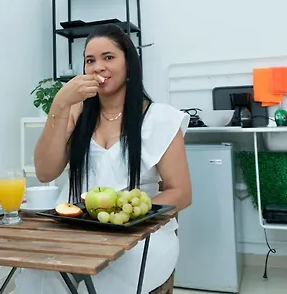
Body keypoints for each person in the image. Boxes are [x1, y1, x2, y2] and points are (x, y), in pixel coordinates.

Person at [15, 24, 192, 294]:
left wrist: (129, 213)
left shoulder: (161, 118)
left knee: (107, 279)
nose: (98, 67)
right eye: (90, 60)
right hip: (75, 226)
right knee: (42, 276)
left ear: (129, 64)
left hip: (138, 231)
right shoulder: (76, 112)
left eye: (108, 57)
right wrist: (60, 103)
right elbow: (45, 172)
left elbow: (181, 192)